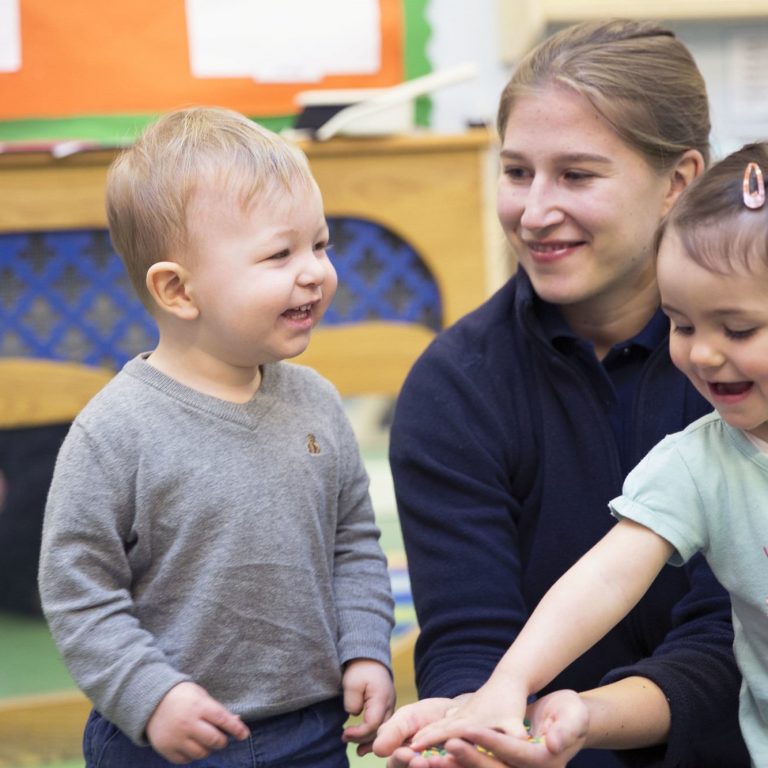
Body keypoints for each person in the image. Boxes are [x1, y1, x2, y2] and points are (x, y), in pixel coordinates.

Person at [372, 18, 751, 768]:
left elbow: (736, 641)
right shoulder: (455, 387)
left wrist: (577, 721)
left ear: (678, 181)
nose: (534, 211)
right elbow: (469, 639)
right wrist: (477, 732)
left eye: (576, 175)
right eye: (517, 172)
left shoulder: (741, 375)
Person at [37, 106, 395, 768]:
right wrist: (151, 697)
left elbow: (353, 544)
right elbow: (77, 590)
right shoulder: (115, 432)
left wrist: (368, 644)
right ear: (178, 289)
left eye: (321, 245)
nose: (314, 271)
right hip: (165, 740)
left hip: (312, 731)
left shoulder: (315, 401)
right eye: (279, 253)